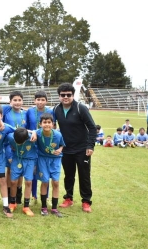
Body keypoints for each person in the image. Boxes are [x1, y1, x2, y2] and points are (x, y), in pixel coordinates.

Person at [53, 83, 96, 213]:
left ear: (73, 95)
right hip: (66, 149)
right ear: (59, 96)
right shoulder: (56, 109)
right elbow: (53, 127)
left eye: (68, 95)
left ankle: (86, 201)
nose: (65, 97)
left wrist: (90, 145)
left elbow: (92, 127)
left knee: (84, 176)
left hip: (82, 149)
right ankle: (68, 198)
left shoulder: (80, 108)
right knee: (68, 175)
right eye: (63, 95)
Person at [26, 90, 55, 204]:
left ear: (46, 101)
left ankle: (46, 197)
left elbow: (53, 126)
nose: (40, 102)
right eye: (38, 99)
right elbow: (27, 126)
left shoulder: (51, 111)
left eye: (43, 100)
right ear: (34, 100)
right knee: (33, 171)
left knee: (45, 171)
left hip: (45, 144)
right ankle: (34, 196)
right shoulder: (30, 111)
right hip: (32, 143)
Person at [35, 113, 65, 217]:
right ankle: (43, 207)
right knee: (45, 182)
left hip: (55, 160)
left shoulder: (58, 135)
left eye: (49, 122)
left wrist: (60, 150)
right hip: (42, 159)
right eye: (44, 122)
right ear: (40, 124)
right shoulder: (37, 134)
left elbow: (62, 145)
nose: (47, 124)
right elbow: (31, 134)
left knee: (56, 182)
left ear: (53, 124)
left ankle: (54, 208)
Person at [7, 127, 37, 216]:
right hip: (17, 159)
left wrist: (34, 131)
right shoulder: (10, 136)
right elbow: (6, 126)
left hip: (29, 160)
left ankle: (26, 207)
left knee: (28, 182)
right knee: (13, 182)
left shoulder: (32, 137)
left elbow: (42, 131)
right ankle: (12, 203)